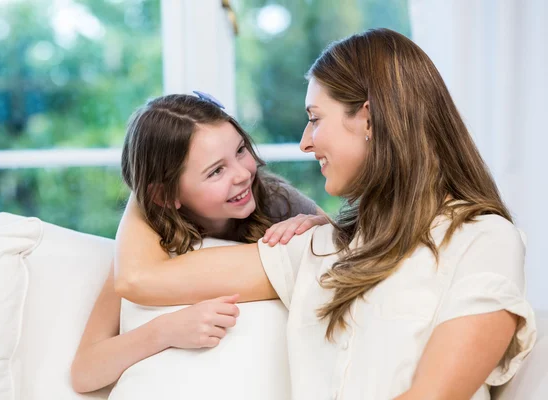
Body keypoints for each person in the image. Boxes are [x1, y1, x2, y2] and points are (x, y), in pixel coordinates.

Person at [113, 29, 536, 400]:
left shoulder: (481, 238)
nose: (304, 142)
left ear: (368, 119)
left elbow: (436, 394)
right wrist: (156, 174)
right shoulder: (320, 248)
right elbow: (140, 278)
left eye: (315, 120)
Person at [70, 93, 328, 393]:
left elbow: (347, 246)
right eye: (216, 170)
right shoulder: (148, 244)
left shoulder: (274, 200)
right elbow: (84, 372)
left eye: (241, 150)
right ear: (164, 195)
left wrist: (317, 226)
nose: (243, 174)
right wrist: (167, 330)